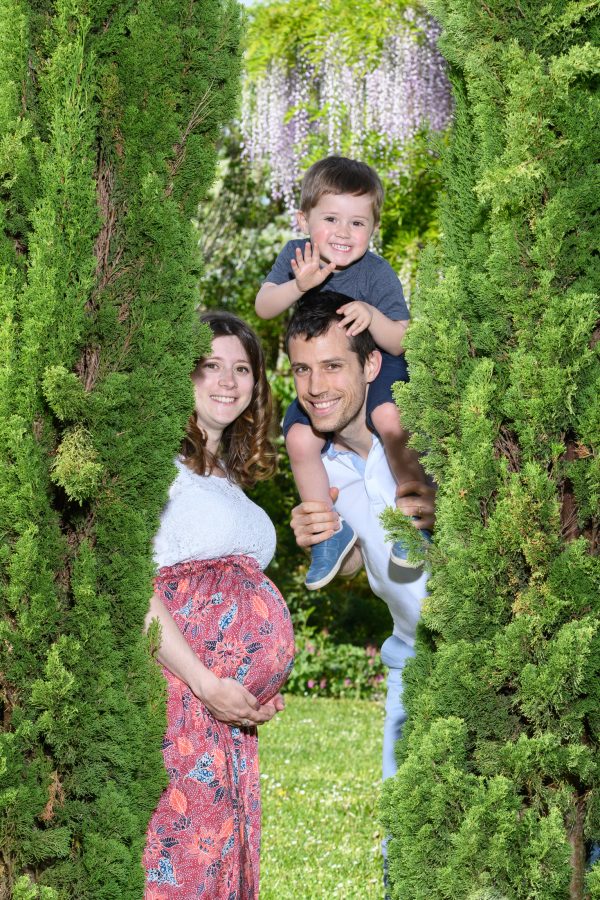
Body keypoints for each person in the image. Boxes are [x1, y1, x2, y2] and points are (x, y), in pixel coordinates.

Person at [143, 311, 295, 900]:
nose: (228, 381)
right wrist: (208, 683)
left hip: (224, 714)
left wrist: (255, 685)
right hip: (181, 697)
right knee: (183, 862)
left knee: (221, 861)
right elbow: (137, 587)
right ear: (184, 374)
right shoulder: (157, 463)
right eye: (211, 365)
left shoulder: (227, 476)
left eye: (242, 369)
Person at [255, 155, 430, 592]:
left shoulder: (377, 272)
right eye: (331, 219)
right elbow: (264, 307)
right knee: (298, 438)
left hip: (380, 363)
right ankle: (329, 534)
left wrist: (372, 315)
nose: (343, 232)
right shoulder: (297, 257)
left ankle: (415, 513)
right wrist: (299, 285)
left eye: (357, 223)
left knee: (388, 416)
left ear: (373, 228)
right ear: (304, 220)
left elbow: (401, 340)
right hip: (331, 370)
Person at [285, 292, 435, 785]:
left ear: (371, 365)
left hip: (490, 648)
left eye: (332, 366)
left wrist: (442, 505)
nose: (315, 387)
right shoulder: (322, 467)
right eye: (302, 370)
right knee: (407, 821)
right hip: (410, 661)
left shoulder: (420, 433)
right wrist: (319, 538)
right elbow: (355, 563)